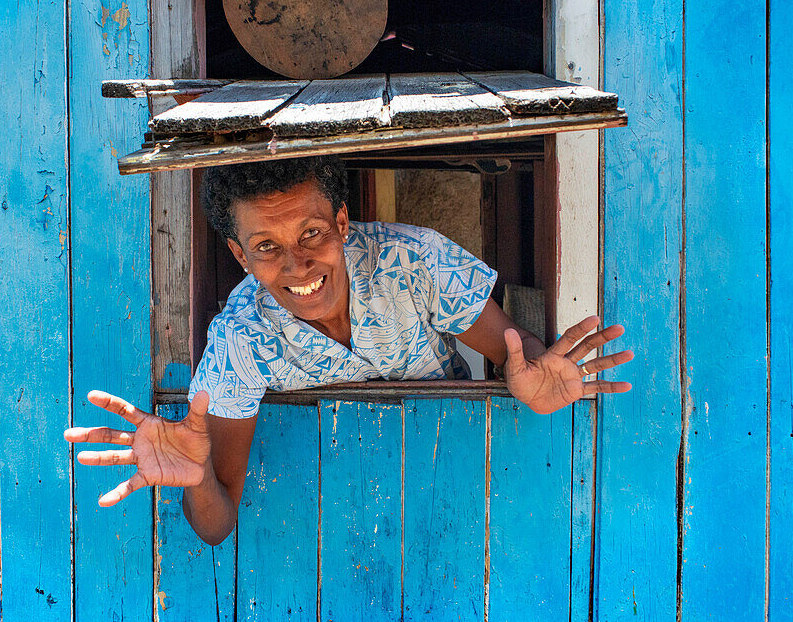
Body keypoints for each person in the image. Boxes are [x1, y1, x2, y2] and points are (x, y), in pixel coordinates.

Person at [64, 156, 632, 545]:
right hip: (338, 528)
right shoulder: (240, 338)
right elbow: (216, 524)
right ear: (241, 257)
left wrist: (527, 375)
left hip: (463, 496)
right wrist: (198, 477)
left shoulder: (414, 262)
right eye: (267, 247)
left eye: (312, 233)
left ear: (341, 221)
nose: (297, 264)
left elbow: (516, 346)